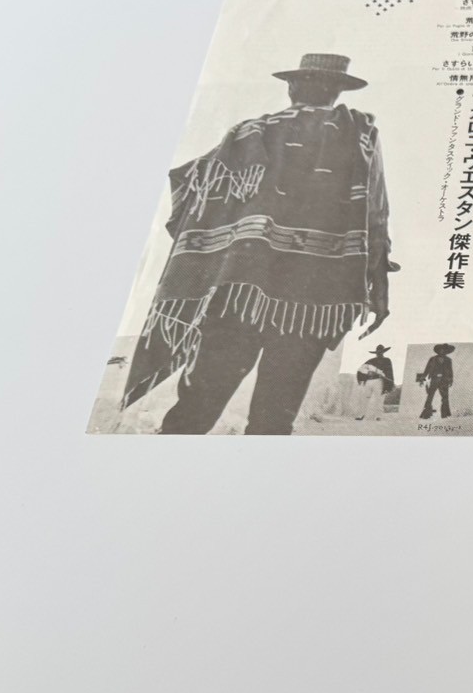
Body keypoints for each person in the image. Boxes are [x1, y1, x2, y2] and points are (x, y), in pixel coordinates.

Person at [122, 53, 394, 434]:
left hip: (239, 291)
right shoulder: (359, 135)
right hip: (315, 299)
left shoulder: (248, 133)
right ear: (337, 91)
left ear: (292, 86)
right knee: (274, 417)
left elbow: (194, 188)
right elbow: (376, 215)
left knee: (197, 405)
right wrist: (379, 288)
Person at [353, 344, 395, 420]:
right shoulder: (371, 361)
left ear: (383, 352)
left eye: (381, 352)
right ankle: (361, 415)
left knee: (379, 398)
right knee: (365, 398)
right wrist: (367, 373)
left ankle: (378, 416)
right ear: (376, 352)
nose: (379, 353)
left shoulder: (387, 360)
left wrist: (386, 380)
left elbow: (389, 372)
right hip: (369, 381)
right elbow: (361, 369)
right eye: (378, 352)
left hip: (379, 381)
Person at [418, 343, 455, 419]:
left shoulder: (448, 360)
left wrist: (451, 380)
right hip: (434, 380)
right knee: (430, 397)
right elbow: (426, 370)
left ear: (446, 351)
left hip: (444, 381)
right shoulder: (432, 359)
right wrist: (422, 379)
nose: (442, 351)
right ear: (438, 350)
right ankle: (426, 414)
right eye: (441, 349)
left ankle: (445, 415)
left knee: (445, 397)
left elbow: (450, 371)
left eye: (444, 350)